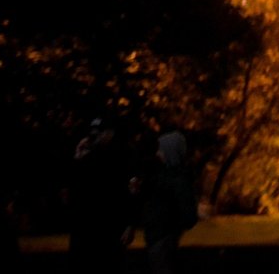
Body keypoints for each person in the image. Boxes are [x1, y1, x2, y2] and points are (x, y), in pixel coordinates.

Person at [64, 116, 136, 274]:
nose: (95, 137)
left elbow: (128, 193)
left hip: (109, 228)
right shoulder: (86, 158)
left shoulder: (120, 156)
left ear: (110, 133)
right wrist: (78, 158)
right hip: (87, 228)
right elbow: (74, 191)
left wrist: (129, 224)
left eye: (100, 133)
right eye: (93, 133)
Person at [135, 130, 198, 274]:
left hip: (163, 238)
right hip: (159, 237)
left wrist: (170, 226)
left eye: (161, 150)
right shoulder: (164, 176)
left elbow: (187, 213)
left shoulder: (175, 179)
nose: (158, 153)